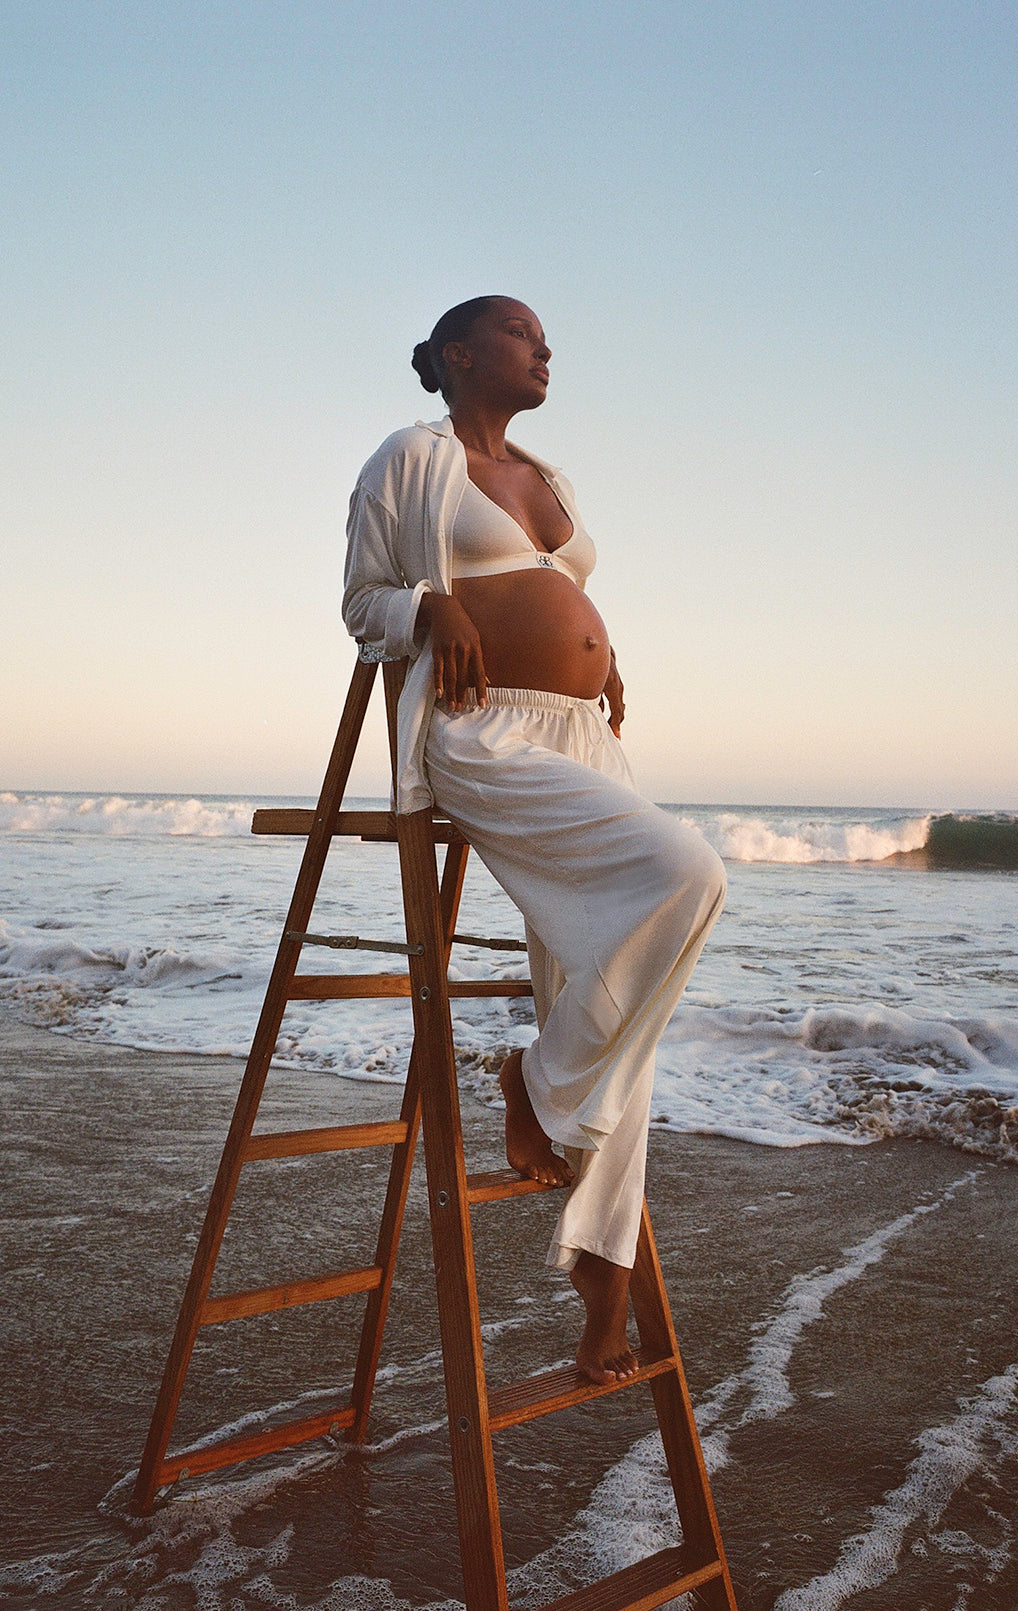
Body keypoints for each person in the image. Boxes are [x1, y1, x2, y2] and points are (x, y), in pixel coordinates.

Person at [343, 296, 726, 1384]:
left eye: (546, 335)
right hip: (484, 731)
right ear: (462, 354)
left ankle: (597, 1276)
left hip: (579, 734)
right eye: (521, 333)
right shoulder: (410, 459)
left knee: (624, 1022)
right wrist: (428, 608)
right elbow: (360, 598)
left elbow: (559, 588)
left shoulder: (551, 480)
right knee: (687, 872)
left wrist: (599, 654)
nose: (545, 347)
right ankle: (539, 1081)